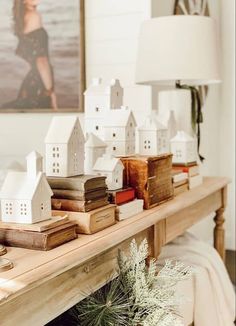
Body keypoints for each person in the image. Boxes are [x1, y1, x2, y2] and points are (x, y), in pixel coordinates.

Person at [1, 0, 58, 110]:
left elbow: (28, 53)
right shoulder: (34, 16)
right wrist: (50, 91)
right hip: (40, 80)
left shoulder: (23, 17)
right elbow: (41, 59)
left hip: (33, 78)